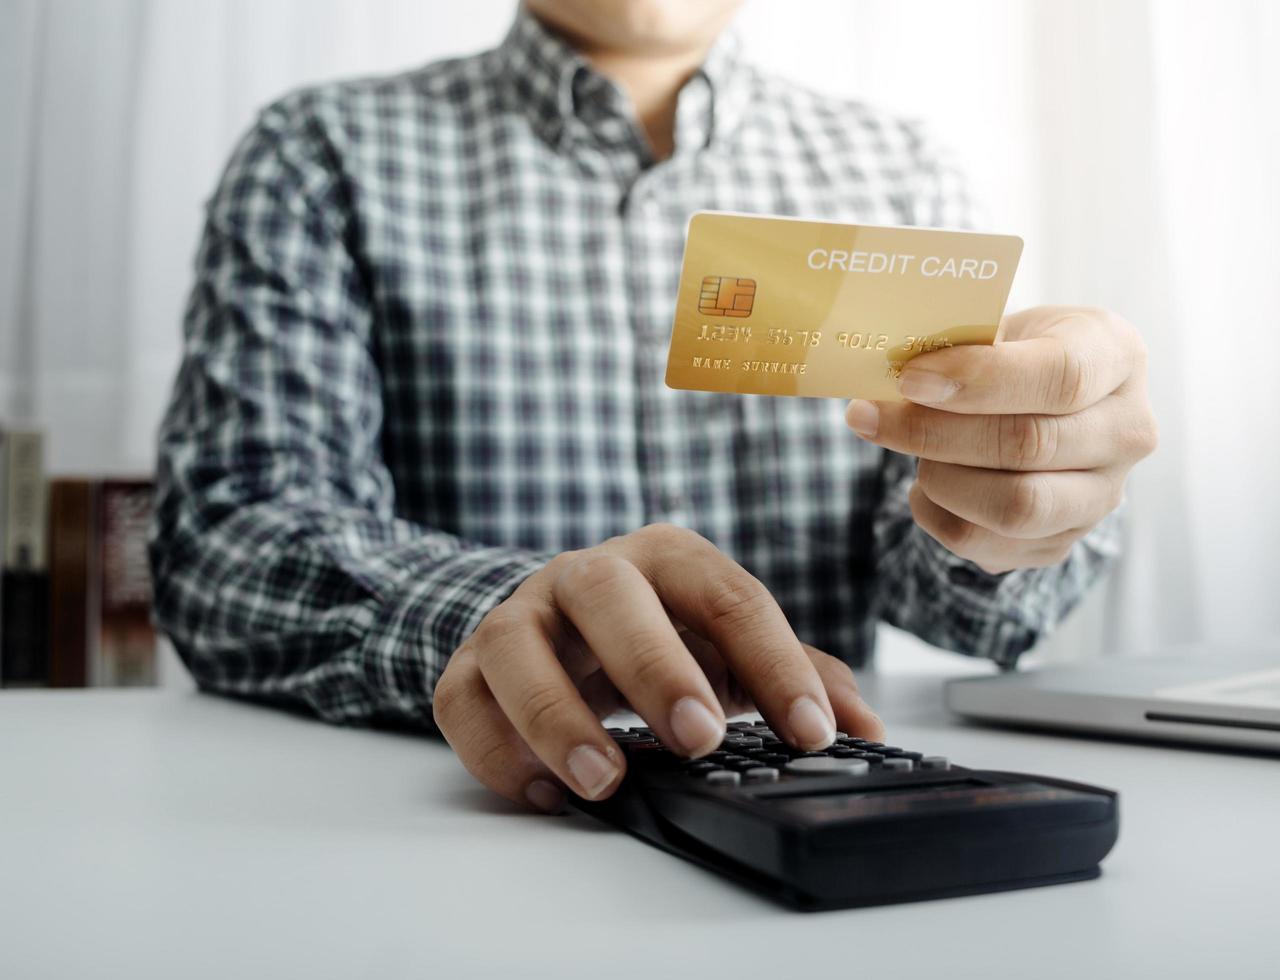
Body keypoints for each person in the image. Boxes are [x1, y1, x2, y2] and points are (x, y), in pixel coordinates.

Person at [150, 0, 1157, 815]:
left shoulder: (897, 172)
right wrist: (492, 617)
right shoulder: (320, 154)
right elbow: (228, 546)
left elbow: (956, 591)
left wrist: (1028, 485)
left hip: (822, 817)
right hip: (450, 832)